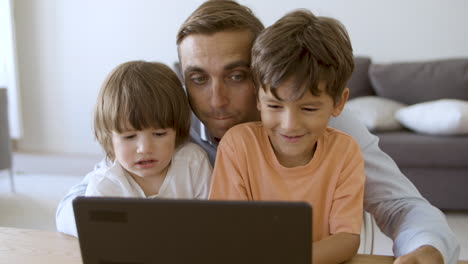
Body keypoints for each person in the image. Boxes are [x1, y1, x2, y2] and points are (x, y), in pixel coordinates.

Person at [56, 1, 459, 263]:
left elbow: (401, 205)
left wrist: (427, 247)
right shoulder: (168, 123)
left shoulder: (325, 124)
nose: (215, 100)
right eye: (198, 78)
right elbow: (81, 199)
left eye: (236, 75)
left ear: (266, 71)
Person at [209, 9, 365, 263]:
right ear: (257, 97)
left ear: (339, 102)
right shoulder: (239, 145)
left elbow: (346, 238)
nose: (289, 125)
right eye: (274, 106)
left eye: (309, 108)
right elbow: (227, 232)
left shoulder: (345, 152)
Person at [62, 61, 212, 236]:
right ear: (109, 138)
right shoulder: (104, 185)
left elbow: (211, 223)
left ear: (177, 131)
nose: (144, 148)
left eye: (159, 134)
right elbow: (99, 238)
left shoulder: (192, 163)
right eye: (129, 137)